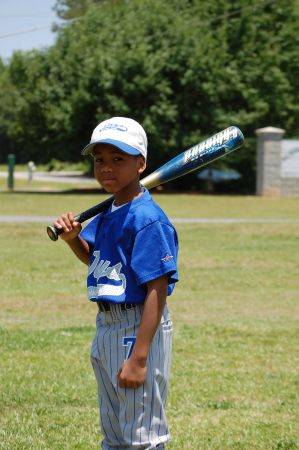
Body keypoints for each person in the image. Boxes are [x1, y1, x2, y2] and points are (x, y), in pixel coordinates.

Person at [53, 117, 179, 449]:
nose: (106, 167)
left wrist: (139, 357)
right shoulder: (111, 211)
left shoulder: (146, 218)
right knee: (114, 433)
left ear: (141, 164)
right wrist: (72, 240)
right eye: (99, 160)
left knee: (141, 436)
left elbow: (157, 290)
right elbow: (101, 264)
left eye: (118, 159)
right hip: (106, 327)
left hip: (138, 328)